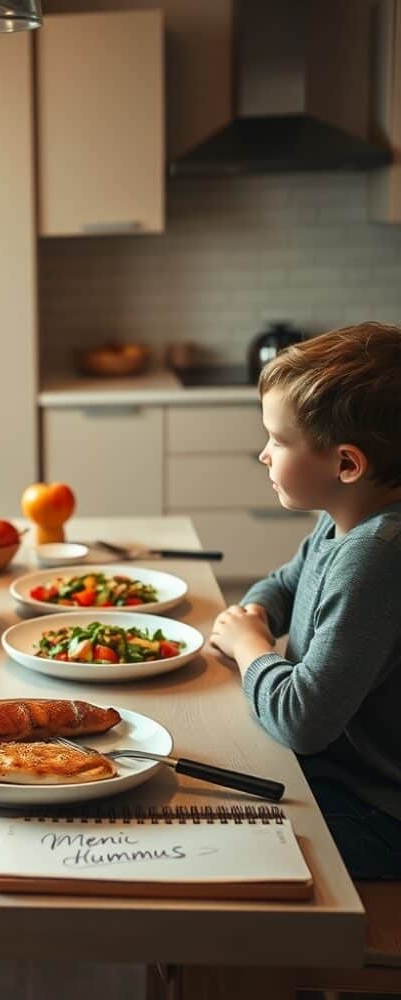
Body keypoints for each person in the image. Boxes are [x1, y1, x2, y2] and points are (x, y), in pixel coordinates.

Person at [209, 322, 401, 879]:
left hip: (378, 813)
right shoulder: (342, 520)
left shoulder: (376, 557)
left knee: (212, 835)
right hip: (335, 773)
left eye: (278, 439)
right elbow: (287, 582)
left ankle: (217, 965)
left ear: (346, 465)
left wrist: (249, 650)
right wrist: (260, 615)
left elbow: (302, 720)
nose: (263, 455)